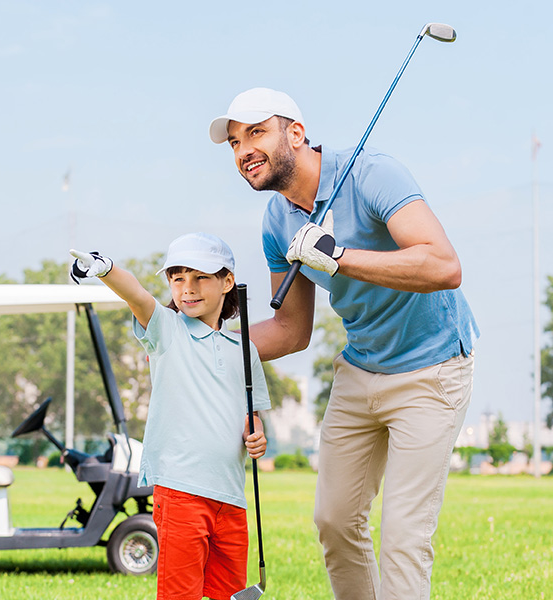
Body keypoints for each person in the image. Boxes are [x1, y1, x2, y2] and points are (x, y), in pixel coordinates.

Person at [209, 87, 479, 600]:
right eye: (235, 142)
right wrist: (213, 340)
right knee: (334, 521)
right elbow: (291, 330)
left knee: (403, 535)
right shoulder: (277, 221)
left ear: (296, 133)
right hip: (360, 370)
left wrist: (338, 255)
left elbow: (445, 267)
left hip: (433, 368)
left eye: (256, 132)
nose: (243, 150)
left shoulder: (371, 173)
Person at [69, 232, 271, 600]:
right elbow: (137, 296)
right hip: (181, 491)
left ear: (227, 282)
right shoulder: (168, 330)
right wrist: (105, 268)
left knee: (227, 593)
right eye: (178, 278)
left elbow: (250, 414)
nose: (187, 289)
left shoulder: (245, 349)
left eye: (200, 278)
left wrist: (255, 433)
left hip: (231, 496)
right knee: (181, 593)